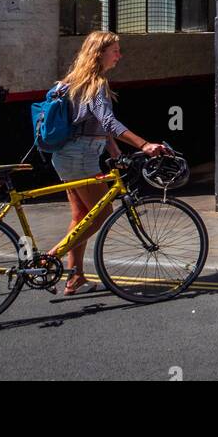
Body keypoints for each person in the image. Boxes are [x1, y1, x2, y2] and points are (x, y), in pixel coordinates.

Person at [45, 31, 168, 295]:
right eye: (115, 51)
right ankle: (50, 257)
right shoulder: (95, 83)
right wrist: (144, 145)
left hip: (68, 155)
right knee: (102, 213)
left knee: (81, 216)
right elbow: (109, 121)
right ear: (99, 53)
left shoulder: (72, 81)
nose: (119, 56)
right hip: (80, 156)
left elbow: (99, 125)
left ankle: (75, 277)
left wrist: (113, 150)